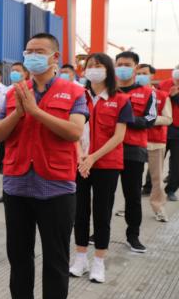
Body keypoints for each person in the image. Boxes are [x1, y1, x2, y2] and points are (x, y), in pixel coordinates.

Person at [0, 33, 86, 299]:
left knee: (56, 256)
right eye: (28, 50)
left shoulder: (74, 91)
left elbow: (74, 131)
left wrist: (35, 111)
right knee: (18, 252)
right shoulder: (13, 92)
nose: (32, 55)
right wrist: (19, 112)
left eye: (39, 51)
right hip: (17, 183)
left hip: (56, 185)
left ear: (55, 57)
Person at [70, 53, 132, 284]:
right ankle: (80, 258)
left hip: (107, 164)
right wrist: (81, 157)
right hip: (80, 162)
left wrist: (93, 158)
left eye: (99, 65)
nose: (94, 69)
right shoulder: (79, 96)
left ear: (108, 70)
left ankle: (99, 261)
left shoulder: (121, 99)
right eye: (90, 65)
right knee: (79, 211)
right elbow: (74, 131)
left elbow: (119, 136)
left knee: (102, 213)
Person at [113, 51, 156, 253]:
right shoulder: (107, 90)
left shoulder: (148, 92)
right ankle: (100, 232)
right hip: (108, 149)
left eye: (127, 64)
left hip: (133, 150)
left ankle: (133, 236)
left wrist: (125, 118)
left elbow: (150, 119)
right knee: (104, 196)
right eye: (119, 64)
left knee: (132, 196)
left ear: (136, 67)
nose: (122, 67)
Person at [139, 63, 172, 221]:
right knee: (131, 178)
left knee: (157, 178)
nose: (141, 76)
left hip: (155, 141)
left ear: (152, 75)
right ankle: (128, 206)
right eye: (138, 73)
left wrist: (149, 120)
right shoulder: (130, 94)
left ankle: (158, 207)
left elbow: (168, 119)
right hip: (134, 142)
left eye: (144, 73)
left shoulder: (162, 96)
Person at [0, 61, 29, 204]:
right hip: (8, 133)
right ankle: (5, 192)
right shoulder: (8, 92)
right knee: (6, 161)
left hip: (25, 139)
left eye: (18, 70)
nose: (14, 73)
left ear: (25, 73)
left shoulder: (31, 91)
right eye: (12, 70)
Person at [159, 66, 179, 202]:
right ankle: (148, 186)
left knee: (177, 163)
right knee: (156, 160)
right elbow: (158, 102)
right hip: (163, 128)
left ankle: (171, 189)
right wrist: (168, 96)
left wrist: (176, 96)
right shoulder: (163, 84)